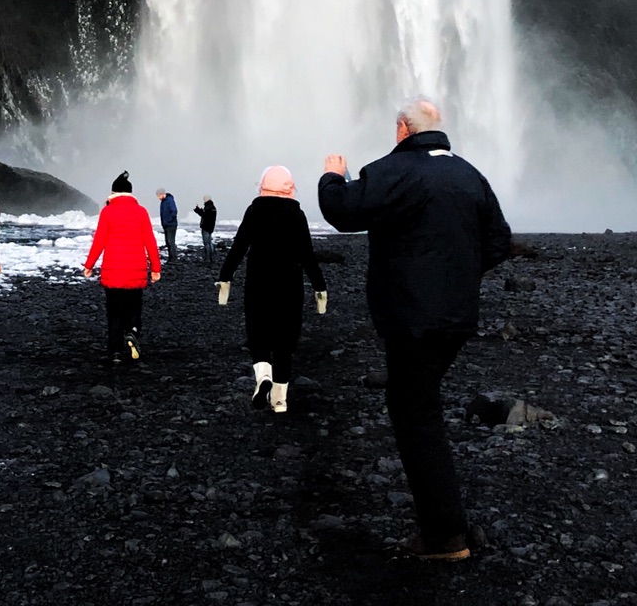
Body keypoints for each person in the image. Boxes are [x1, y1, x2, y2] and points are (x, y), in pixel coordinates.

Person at [318, 98, 512, 563]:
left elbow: (343, 212)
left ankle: (446, 535)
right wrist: (458, 277)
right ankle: (445, 527)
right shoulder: (470, 175)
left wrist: (331, 176)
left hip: (410, 317)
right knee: (419, 404)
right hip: (456, 317)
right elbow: (499, 242)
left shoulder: (395, 170)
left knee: (416, 414)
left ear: (403, 128)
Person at [217, 166, 328, 413]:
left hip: (258, 282)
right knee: (285, 342)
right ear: (290, 187)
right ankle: (279, 400)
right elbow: (307, 255)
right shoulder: (296, 215)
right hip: (290, 286)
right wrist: (320, 286)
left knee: (258, 334)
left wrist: (225, 277)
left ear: (263, 186)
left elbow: (239, 247)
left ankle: (263, 374)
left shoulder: (254, 211)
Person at [83, 171, 162, 364]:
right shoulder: (141, 212)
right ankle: (133, 331)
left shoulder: (108, 212)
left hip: (113, 273)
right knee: (134, 308)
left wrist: (89, 265)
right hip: (136, 272)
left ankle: (116, 352)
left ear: (114, 193)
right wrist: (155, 268)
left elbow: (99, 241)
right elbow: (150, 242)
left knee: (114, 313)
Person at [157, 189, 179, 266]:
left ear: (162, 194)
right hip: (166, 225)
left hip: (171, 225)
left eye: (159, 195)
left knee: (171, 241)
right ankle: (171, 258)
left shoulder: (169, 200)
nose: (158, 198)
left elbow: (174, 211)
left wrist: (169, 221)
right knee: (168, 242)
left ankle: (174, 258)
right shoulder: (163, 202)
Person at [194, 196, 218, 262]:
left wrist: (197, 210)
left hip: (205, 227)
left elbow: (204, 215)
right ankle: (212, 257)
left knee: (206, 243)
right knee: (209, 242)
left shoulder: (208, 207)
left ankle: (207, 258)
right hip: (210, 227)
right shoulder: (213, 208)